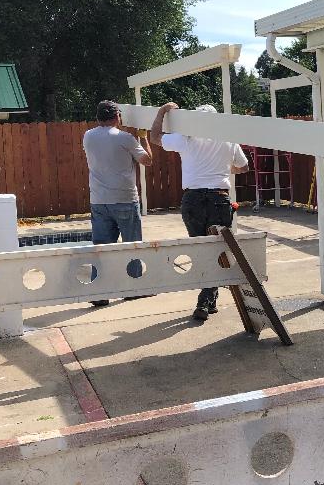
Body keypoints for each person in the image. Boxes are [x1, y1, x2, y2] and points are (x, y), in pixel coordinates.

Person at [150, 102, 250, 321]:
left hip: (193, 200)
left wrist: (161, 112)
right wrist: (225, 168)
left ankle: (207, 300)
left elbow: (155, 138)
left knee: (202, 251)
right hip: (219, 199)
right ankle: (206, 301)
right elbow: (244, 167)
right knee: (217, 251)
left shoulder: (186, 137)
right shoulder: (227, 137)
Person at [82, 100, 153, 307]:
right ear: (117, 117)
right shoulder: (126, 138)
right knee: (132, 245)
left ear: (98, 118)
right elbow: (147, 160)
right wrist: (143, 138)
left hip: (99, 200)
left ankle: (99, 293)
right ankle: (133, 289)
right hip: (124, 199)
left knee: (102, 248)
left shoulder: (88, 136)